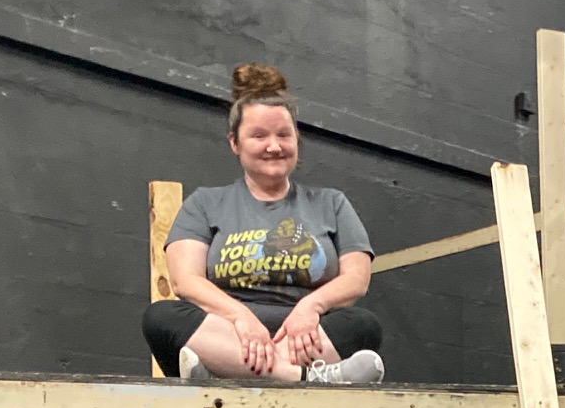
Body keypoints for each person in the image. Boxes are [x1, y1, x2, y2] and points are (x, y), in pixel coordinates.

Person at [142, 63, 386, 385]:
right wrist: (241, 317)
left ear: (297, 139)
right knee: (161, 317)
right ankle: (301, 378)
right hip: (226, 335)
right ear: (235, 143)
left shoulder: (331, 203)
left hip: (308, 341)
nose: (274, 146)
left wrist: (310, 307)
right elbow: (185, 281)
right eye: (259, 136)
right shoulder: (205, 203)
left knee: (363, 324)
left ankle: (224, 375)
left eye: (284, 135)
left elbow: (356, 279)